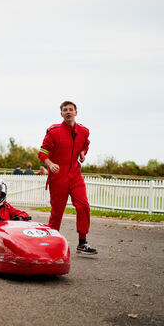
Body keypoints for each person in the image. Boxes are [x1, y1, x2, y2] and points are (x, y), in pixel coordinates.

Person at [38, 100, 97, 255]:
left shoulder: (83, 131)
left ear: (76, 112)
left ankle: (82, 242)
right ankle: (51, 242)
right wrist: (50, 164)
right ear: (62, 114)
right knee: (57, 211)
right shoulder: (54, 131)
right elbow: (42, 153)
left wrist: (83, 152)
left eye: (71, 109)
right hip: (58, 176)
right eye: (65, 110)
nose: (68, 112)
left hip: (75, 174)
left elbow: (86, 143)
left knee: (83, 205)